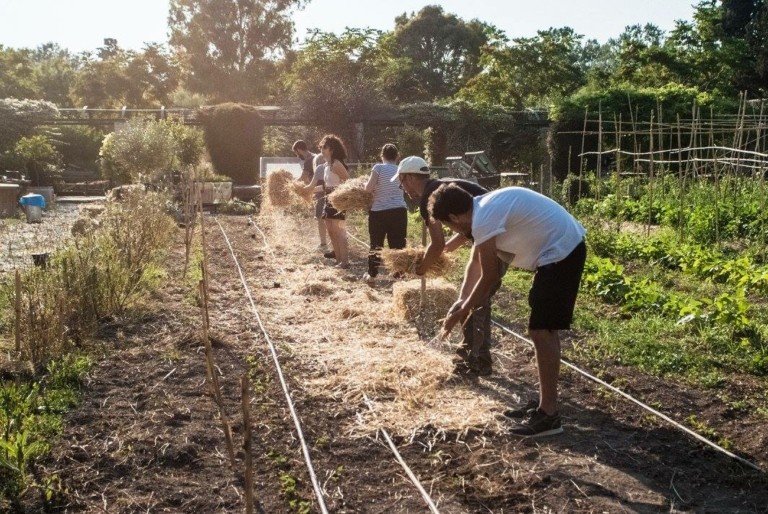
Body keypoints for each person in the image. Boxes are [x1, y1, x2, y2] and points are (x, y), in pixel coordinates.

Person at [428, 183, 587, 438]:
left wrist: (464, 309)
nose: (453, 232)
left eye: (449, 226)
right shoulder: (483, 209)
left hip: (562, 252)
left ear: (454, 218)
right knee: (541, 329)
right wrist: (462, 301)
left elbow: (489, 275)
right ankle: (545, 405)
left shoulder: (483, 218)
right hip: (557, 253)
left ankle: (549, 415)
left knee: (541, 331)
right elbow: (478, 262)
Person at [391, 156, 497, 377]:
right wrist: (447, 249)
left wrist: (421, 268)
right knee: (479, 299)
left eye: (401, 182)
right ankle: (479, 357)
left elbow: (437, 242)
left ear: (409, 178)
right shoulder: (441, 185)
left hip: (497, 234)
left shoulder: (430, 197)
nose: (402, 188)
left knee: (474, 299)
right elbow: (465, 230)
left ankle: (474, 359)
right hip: (494, 230)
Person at [363, 144, 407, 283]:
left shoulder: (378, 168)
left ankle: (372, 274)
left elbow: (368, 188)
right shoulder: (401, 170)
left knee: (376, 244)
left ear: (382, 156)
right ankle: (398, 275)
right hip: (399, 210)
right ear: (397, 156)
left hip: (379, 211)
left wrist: (363, 185)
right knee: (398, 244)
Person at [319, 134, 350, 268]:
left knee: (339, 231)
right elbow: (326, 186)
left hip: (338, 199)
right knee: (331, 230)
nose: (321, 149)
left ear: (331, 149)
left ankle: (345, 261)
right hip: (328, 198)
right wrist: (307, 190)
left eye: (324, 147)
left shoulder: (337, 164)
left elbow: (348, 181)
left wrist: (340, 195)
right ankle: (338, 259)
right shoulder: (327, 165)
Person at [293, 140, 327, 249]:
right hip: (326, 187)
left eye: (296, 152)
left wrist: (291, 184)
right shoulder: (316, 156)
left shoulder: (308, 160)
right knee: (328, 215)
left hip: (319, 190)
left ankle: (323, 243)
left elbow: (303, 177)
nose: (297, 155)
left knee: (320, 216)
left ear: (298, 149)